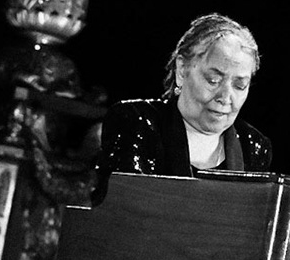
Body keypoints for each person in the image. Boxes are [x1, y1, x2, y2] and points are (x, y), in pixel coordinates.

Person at [101, 13, 276, 176]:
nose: (225, 98)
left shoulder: (253, 146)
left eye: (239, 86)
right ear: (182, 70)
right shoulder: (136, 122)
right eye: (213, 80)